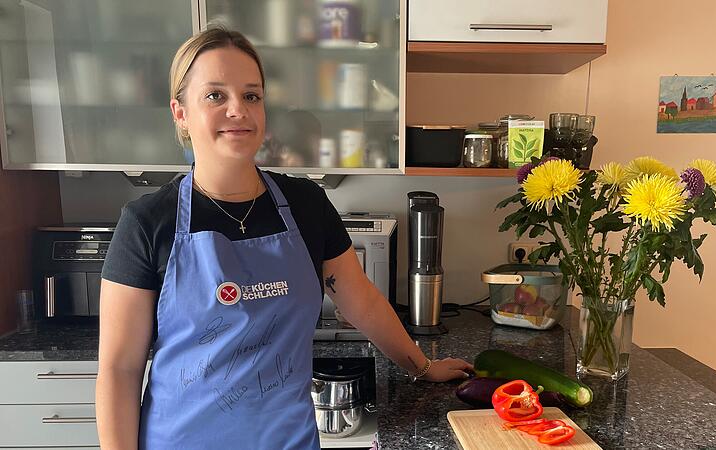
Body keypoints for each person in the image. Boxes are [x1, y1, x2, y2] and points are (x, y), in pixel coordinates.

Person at [95, 27, 472, 449]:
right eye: (215, 95)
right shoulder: (148, 222)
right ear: (180, 112)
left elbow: (360, 300)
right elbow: (120, 369)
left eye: (251, 95)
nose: (238, 110)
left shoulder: (307, 204)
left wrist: (421, 368)